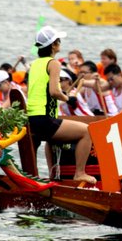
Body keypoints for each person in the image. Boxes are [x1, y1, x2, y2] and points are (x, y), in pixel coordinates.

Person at [26, 25, 96, 185]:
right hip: (44, 120)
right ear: (54, 45)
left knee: (52, 138)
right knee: (87, 132)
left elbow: (31, 92)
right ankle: (79, 173)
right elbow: (54, 92)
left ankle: (39, 176)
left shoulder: (34, 64)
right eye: (58, 41)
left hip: (31, 119)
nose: (59, 44)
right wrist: (68, 99)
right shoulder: (53, 63)